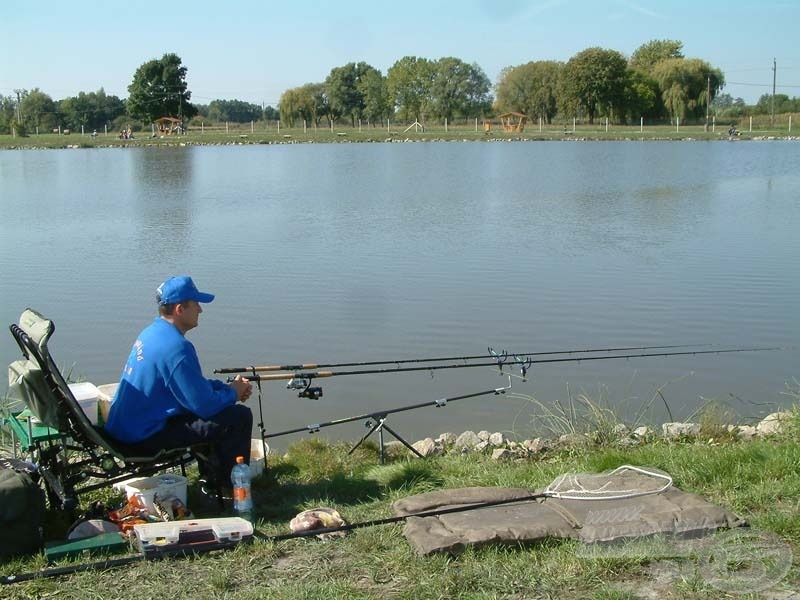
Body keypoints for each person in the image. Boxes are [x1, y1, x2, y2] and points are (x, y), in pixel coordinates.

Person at [104, 276, 253, 497]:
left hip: (125, 427)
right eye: (196, 304)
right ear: (180, 309)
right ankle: (231, 490)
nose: (201, 310)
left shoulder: (152, 333)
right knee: (238, 416)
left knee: (223, 407)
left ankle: (212, 475)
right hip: (142, 438)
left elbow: (191, 386)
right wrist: (233, 394)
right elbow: (205, 407)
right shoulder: (177, 348)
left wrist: (226, 388)